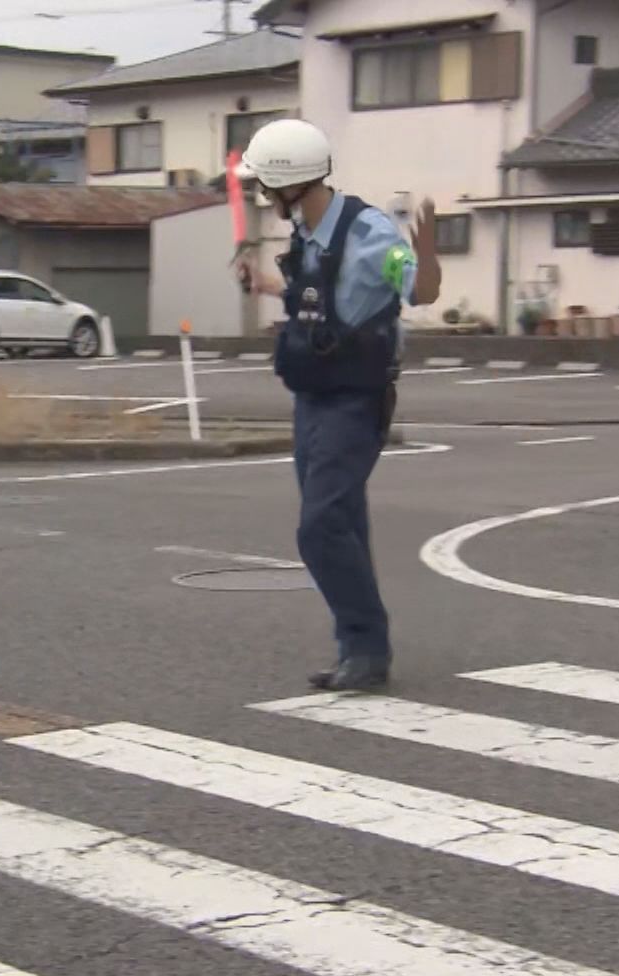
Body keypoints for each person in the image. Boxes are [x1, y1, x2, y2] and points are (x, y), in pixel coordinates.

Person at [235, 119, 441, 692]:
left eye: (266, 186)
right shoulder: (307, 232)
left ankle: (365, 641)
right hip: (311, 393)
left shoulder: (370, 232)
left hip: (356, 396)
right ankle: (363, 651)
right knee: (342, 520)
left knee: (321, 524)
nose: (264, 196)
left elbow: (417, 291)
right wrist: (263, 285)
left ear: (287, 182)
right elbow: (316, 292)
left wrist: (425, 257)